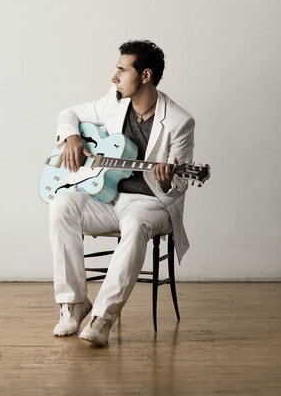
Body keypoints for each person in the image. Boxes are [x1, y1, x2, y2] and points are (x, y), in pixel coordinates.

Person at [49, 40, 195, 346]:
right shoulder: (113, 102)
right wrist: (73, 137)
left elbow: (178, 188)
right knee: (62, 203)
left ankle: (103, 318)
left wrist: (167, 179)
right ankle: (74, 304)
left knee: (136, 224)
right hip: (109, 197)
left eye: (121, 69)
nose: (113, 77)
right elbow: (69, 113)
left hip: (152, 202)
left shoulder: (180, 122)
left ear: (145, 76)